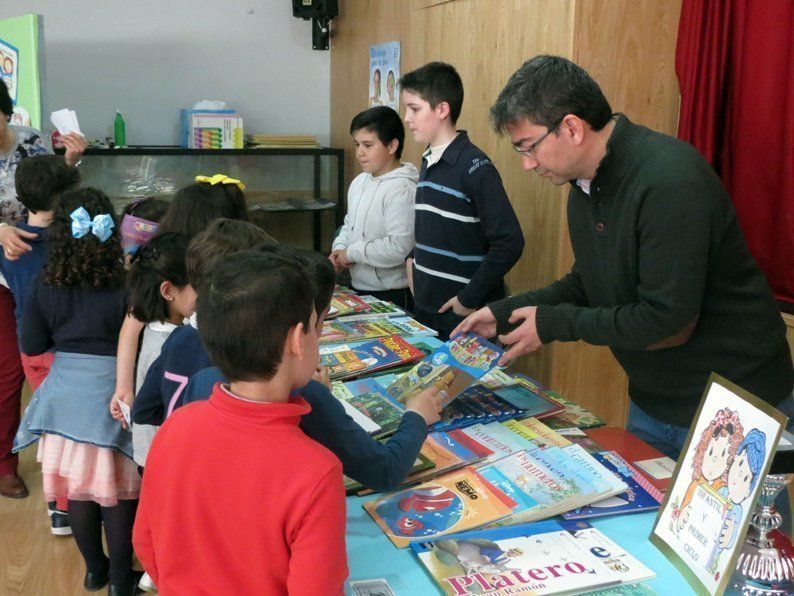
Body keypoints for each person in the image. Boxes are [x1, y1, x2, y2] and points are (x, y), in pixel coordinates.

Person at [454, 55, 794, 459]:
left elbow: (668, 322)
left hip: (733, 402)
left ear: (571, 127)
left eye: (529, 148)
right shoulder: (583, 185)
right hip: (654, 399)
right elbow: (590, 281)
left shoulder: (668, 179)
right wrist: (507, 311)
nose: (528, 165)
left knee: (751, 525)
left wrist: (554, 323)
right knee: (647, 521)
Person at [133, 251, 349, 594]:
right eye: (313, 326)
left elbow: (146, 541)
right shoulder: (317, 471)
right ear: (296, 341)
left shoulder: (176, 426)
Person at [180, 242, 444, 492]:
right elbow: (385, 471)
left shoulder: (194, 395)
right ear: (297, 340)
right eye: (316, 323)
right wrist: (417, 415)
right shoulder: (316, 460)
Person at [13, 187, 141, 594]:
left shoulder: (44, 283)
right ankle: (122, 581)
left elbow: (32, 345)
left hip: (66, 399)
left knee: (80, 491)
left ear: (61, 233)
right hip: (115, 396)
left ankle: (94, 571)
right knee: (120, 494)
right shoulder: (128, 284)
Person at [0, 82, 85, 498]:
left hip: (38, 259)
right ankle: (6, 463)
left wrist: (70, 160)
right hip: (10, 267)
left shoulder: (33, 141)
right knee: (7, 373)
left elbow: (56, 187)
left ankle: (64, 486)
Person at [399, 61, 524, 340]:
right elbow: (434, 227)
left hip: (462, 316)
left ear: (442, 109)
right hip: (426, 308)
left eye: (414, 109)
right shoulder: (430, 158)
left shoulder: (474, 166)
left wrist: (469, 298)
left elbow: (509, 241)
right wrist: (413, 259)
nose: (407, 118)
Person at [110, 233, 195, 471]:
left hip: (156, 453)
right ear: (168, 291)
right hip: (167, 458)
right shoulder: (172, 344)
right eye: (198, 284)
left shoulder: (156, 329)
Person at [330, 106, 418, 310]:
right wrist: (339, 248)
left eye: (368, 145)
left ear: (392, 146)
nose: (360, 152)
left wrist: (351, 253)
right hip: (358, 286)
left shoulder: (403, 189)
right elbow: (348, 224)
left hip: (393, 292)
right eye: (357, 144)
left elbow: (399, 248)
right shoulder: (360, 182)